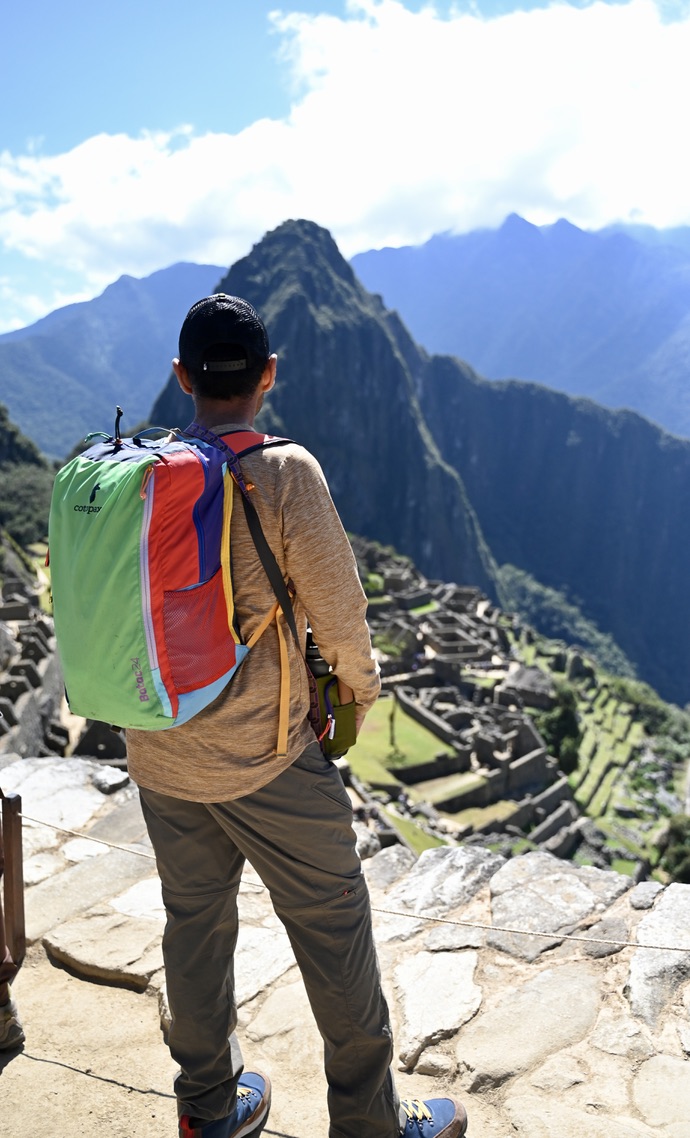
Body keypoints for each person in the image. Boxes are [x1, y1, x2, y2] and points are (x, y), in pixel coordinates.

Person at [126, 294, 468, 1138]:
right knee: (334, 929)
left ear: (181, 379)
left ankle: (206, 1107)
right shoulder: (284, 474)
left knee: (194, 925)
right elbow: (342, 619)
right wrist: (357, 693)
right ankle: (370, 1123)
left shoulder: (137, 473)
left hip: (159, 752)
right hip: (265, 760)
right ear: (269, 378)